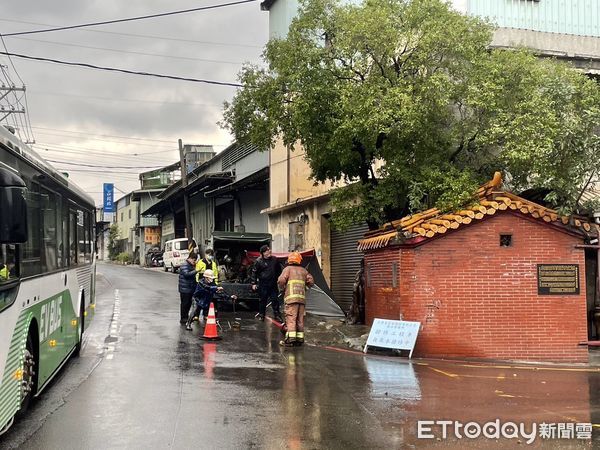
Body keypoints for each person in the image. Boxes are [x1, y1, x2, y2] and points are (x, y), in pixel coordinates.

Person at [277, 252, 314, 347]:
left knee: (291, 318)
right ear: (299, 260)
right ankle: (300, 339)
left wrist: (282, 288)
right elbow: (311, 281)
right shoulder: (304, 271)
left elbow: (281, 281)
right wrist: (304, 288)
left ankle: (291, 339)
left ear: (290, 259)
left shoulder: (287, 269)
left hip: (291, 299)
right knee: (300, 319)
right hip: (301, 299)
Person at [251, 245, 283, 322]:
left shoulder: (274, 259)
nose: (269, 251)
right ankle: (262, 315)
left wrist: (279, 278)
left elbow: (279, 270)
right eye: (267, 250)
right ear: (263, 253)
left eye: (269, 250)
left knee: (275, 300)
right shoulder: (258, 261)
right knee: (263, 300)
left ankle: (277, 315)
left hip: (273, 284)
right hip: (263, 284)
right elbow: (254, 272)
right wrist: (253, 283)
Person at [178, 252, 198, 324]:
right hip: (184, 289)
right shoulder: (185, 265)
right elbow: (186, 274)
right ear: (190, 258)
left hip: (190, 288)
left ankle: (186, 317)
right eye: (194, 260)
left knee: (188, 303)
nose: (194, 262)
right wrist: (196, 270)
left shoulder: (191, 265)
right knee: (184, 304)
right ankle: (183, 318)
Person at [348, 259, 366, 324]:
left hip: (362, 291)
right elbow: (356, 283)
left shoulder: (362, 272)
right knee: (360, 305)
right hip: (360, 291)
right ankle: (360, 320)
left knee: (361, 305)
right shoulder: (360, 273)